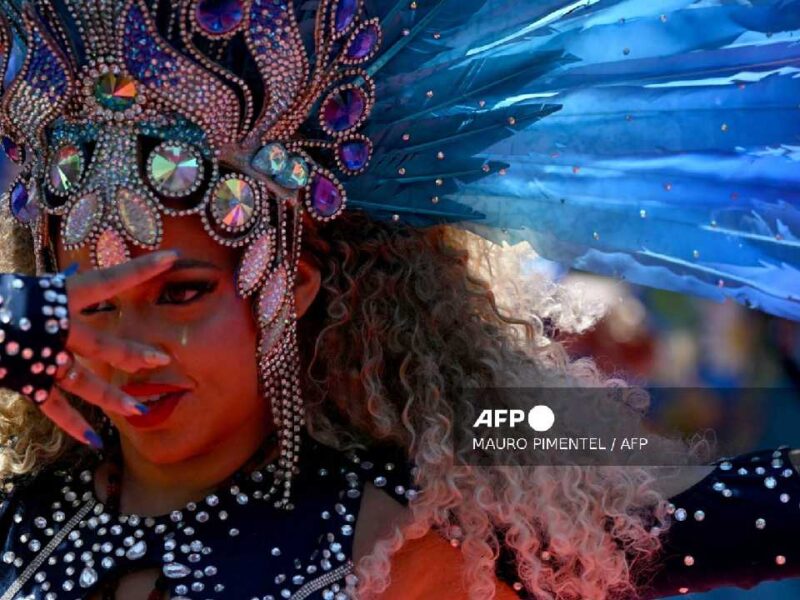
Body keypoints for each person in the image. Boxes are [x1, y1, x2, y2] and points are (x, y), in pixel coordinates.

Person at [0, 1, 798, 599]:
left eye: (180, 294)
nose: (130, 350)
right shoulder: (16, 516)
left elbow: (735, 512)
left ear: (293, 287)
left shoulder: (428, 507)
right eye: (86, 304)